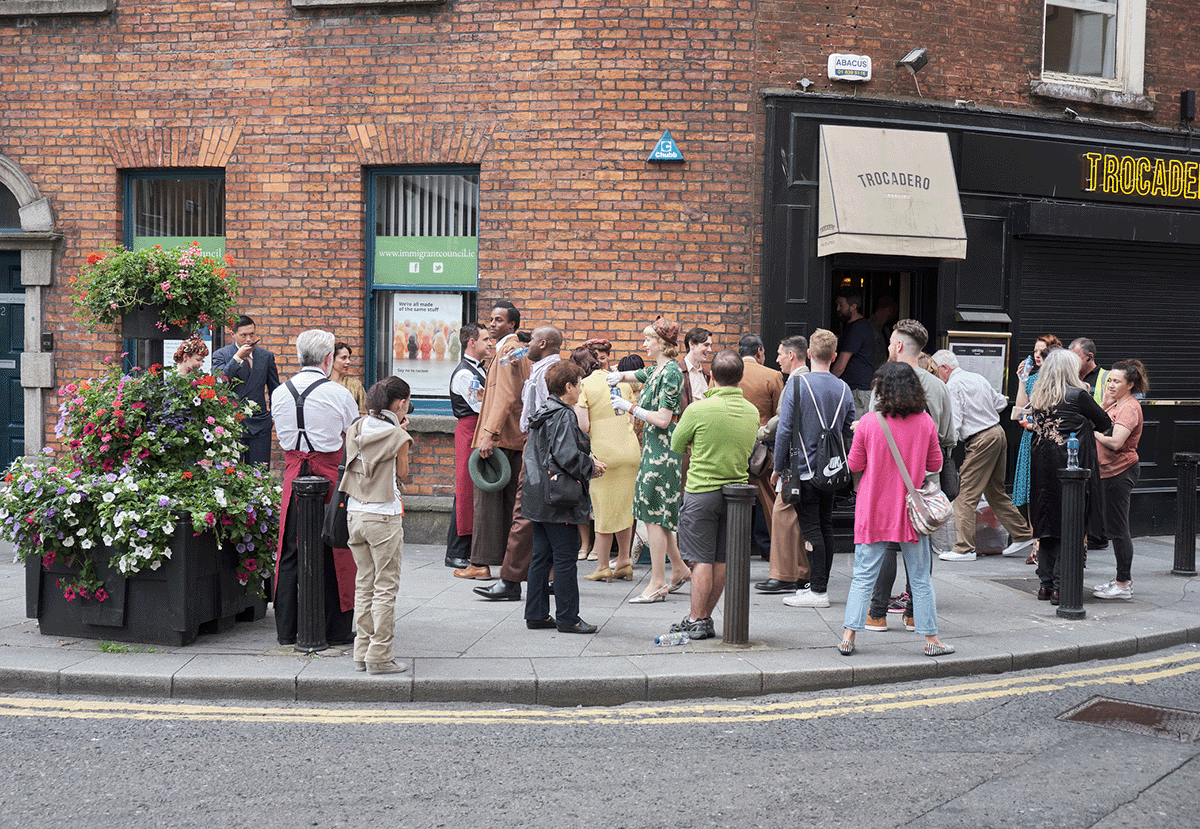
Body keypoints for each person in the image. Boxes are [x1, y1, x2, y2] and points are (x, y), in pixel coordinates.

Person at [840, 362, 953, 657]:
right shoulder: (925, 422)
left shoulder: (868, 422)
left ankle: (848, 636)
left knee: (863, 576)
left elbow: (853, 465)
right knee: (920, 579)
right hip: (910, 513)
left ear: (882, 389)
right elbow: (935, 465)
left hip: (874, 508)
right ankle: (931, 640)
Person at [863, 319, 955, 633]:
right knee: (920, 545)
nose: (889, 347)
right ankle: (915, 615)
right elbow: (948, 437)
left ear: (899, 345)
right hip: (927, 481)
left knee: (889, 543)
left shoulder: (884, 383)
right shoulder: (940, 386)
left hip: (890, 478)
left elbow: (873, 430)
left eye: (890, 342)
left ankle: (876, 614)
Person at [270, 329, 360, 647]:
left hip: (295, 476)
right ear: (326, 359)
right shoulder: (339, 394)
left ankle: (287, 627)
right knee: (336, 548)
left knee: (290, 550)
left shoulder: (279, 393)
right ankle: (335, 628)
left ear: (299, 357)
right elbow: (354, 436)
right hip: (330, 476)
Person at [666, 349, 759, 639]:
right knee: (721, 559)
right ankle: (705, 617)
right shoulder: (752, 412)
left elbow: (677, 445)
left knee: (701, 560)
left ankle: (696, 619)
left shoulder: (698, 409)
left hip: (702, 490)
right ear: (741, 377)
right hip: (736, 495)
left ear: (712, 377)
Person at [474, 323, 564, 601]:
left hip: (540, 449)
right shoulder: (537, 369)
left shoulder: (550, 373)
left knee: (523, 514)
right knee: (540, 516)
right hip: (537, 446)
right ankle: (546, 576)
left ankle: (511, 580)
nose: (526, 344)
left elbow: (547, 412)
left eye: (532, 339)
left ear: (542, 345)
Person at [607, 317, 689, 603]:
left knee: (654, 516)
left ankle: (657, 581)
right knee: (658, 517)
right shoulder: (659, 369)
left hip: (663, 450)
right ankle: (678, 568)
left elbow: (664, 420)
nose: (644, 344)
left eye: (648, 339)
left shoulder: (671, 374)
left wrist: (630, 407)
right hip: (655, 449)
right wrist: (618, 376)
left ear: (662, 343)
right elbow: (638, 375)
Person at [773, 328, 854, 609]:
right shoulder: (844, 388)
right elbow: (848, 430)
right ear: (833, 356)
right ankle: (819, 585)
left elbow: (784, 430)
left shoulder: (797, 385)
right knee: (826, 526)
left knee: (811, 530)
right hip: (830, 471)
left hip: (804, 470)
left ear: (809, 354)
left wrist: (778, 466)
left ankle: (818, 591)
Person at [522, 361, 605, 634]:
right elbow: (566, 455)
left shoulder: (543, 411)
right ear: (568, 387)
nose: (581, 389)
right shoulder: (564, 415)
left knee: (541, 556)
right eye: (579, 384)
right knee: (565, 557)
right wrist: (592, 466)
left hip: (538, 493)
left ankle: (536, 614)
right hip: (560, 498)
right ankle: (569, 618)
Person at [340, 376, 412, 675]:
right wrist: (401, 434)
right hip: (384, 515)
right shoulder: (398, 437)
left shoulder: (355, 429)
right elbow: (404, 475)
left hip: (355, 513)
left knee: (364, 584)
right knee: (385, 587)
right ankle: (380, 656)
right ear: (399, 404)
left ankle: (361, 652)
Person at [932, 349, 1033, 563]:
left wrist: (946, 441)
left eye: (936, 370)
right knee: (996, 491)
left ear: (944, 368)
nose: (935, 376)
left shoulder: (952, 386)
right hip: (997, 432)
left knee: (965, 496)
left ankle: (964, 548)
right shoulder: (976, 377)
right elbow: (1000, 403)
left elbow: (956, 423)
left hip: (980, 439)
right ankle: (1023, 534)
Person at [1027, 348, 1112, 604]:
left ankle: (1045, 584)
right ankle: (1061, 587)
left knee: (1047, 524)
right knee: (1070, 524)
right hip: (1070, 469)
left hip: (1043, 467)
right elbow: (1105, 422)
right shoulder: (1078, 395)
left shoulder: (1039, 395)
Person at [457, 302, 529, 583]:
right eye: (491, 320)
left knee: (486, 503)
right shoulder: (519, 351)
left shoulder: (506, 352)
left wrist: (489, 433)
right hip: (515, 437)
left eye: (499, 320)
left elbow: (507, 396)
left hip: (499, 438)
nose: (493, 324)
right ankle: (514, 566)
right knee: (513, 504)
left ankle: (480, 564)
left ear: (513, 324)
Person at [572, 343, 639, 582]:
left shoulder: (584, 386)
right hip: (630, 451)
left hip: (603, 454)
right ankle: (624, 561)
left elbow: (583, 426)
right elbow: (632, 415)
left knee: (602, 510)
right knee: (624, 508)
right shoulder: (621, 382)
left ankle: (602, 566)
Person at [755, 335, 811, 594]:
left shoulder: (795, 383)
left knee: (781, 515)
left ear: (792, 355)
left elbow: (783, 423)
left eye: (779, 353)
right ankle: (802, 572)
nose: (776, 358)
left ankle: (784, 575)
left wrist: (762, 433)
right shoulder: (821, 381)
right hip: (814, 461)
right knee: (800, 518)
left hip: (794, 460)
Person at [1092, 359, 1148, 600]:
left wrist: (1094, 433)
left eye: (1116, 381)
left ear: (1130, 384)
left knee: (1118, 529)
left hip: (1119, 472)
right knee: (1112, 527)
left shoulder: (1129, 408)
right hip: (1106, 472)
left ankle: (1123, 583)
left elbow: (1115, 442)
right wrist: (1104, 403)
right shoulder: (1115, 403)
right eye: (1109, 380)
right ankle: (1120, 580)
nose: (1110, 384)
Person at [444, 323, 491, 569]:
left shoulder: (479, 371)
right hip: (469, 431)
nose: (489, 343)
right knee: (465, 488)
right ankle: (456, 551)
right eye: (485, 339)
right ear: (471, 342)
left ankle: (467, 548)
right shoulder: (464, 374)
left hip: (477, 429)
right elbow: (480, 405)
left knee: (472, 488)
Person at [737, 333, 786, 560]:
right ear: (759, 352)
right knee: (768, 499)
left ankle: (732, 546)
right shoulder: (773, 375)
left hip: (732, 444)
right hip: (762, 447)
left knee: (731, 495)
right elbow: (780, 412)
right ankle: (770, 549)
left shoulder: (726, 372)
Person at [211, 315, 280, 464]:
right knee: (228, 475)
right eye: (243, 335)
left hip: (259, 423)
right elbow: (219, 384)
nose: (249, 339)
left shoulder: (266, 356)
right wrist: (237, 358)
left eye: (252, 334)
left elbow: (275, 388)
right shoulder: (221, 355)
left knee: (258, 475)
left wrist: (272, 416)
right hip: (231, 424)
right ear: (233, 334)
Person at [1012, 335, 1062, 514]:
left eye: (1042, 351)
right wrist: (1022, 379)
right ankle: (1035, 539)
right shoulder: (1032, 378)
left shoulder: (1058, 379)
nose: (1037, 355)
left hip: (1046, 434)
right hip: (1030, 434)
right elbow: (1020, 408)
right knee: (1029, 491)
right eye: (1035, 351)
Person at [831, 293, 875, 419]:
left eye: (841, 305)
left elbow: (840, 365)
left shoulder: (858, 329)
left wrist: (826, 381)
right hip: (855, 390)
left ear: (853, 307)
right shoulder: (853, 327)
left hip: (858, 392)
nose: (838, 309)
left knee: (854, 434)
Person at [678, 327, 713, 413]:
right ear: (692, 344)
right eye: (706, 345)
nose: (710, 350)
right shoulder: (677, 372)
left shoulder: (706, 375)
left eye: (710, 345)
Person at [330, 342, 367, 416]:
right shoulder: (323, 384)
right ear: (332, 359)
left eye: (349, 358)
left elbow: (364, 414)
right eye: (343, 358)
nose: (348, 362)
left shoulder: (355, 385)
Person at [1069, 337, 1109, 404]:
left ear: (1090, 356)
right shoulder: (1069, 377)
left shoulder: (1107, 377)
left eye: (1076, 358)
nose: (1072, 362)